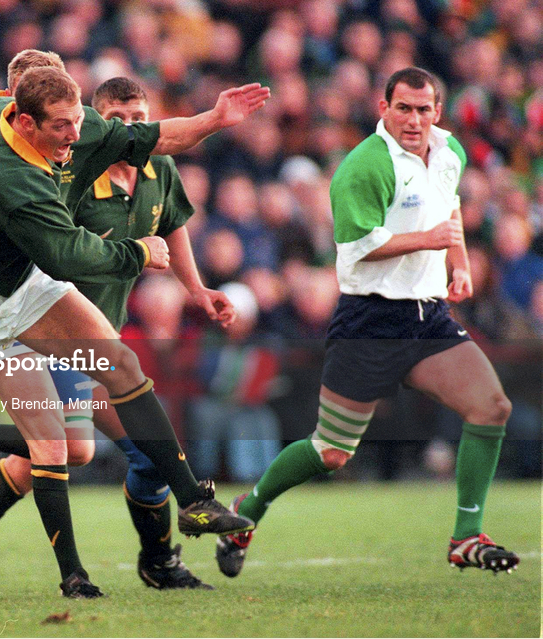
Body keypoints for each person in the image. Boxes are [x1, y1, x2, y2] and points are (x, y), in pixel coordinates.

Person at [0, 67, 256, 598]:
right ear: (23, 119)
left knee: (116, 372)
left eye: (79, 120)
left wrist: (215, 118)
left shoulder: (73, 129)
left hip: (21, 285)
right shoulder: (15, 176)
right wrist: (138, 252)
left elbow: (158, 139)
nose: (77, 134)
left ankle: (192, 504)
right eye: (63, 125)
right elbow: (67, 254)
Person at [214, 67, 520, 578]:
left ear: (437, 112)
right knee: (331, 452)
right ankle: (249, 509)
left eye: (423, 110)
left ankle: (466, 536)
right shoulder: (364, 165)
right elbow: (356, 249)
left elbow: (450, 210)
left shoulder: (450, 152)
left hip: (427, 317)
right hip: (371, 320)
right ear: (384, 108)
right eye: (404, 108)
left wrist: (460, 263)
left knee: (492, 408)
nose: (414, 120)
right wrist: (430, 242)